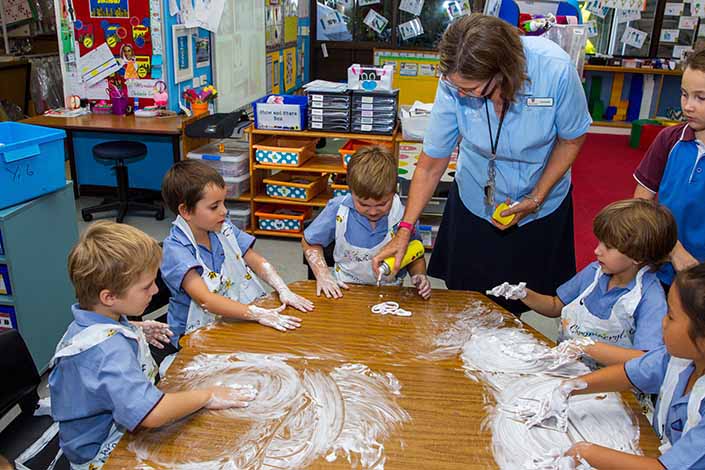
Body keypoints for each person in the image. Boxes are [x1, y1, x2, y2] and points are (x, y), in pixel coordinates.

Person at [372, 14, 592, 315]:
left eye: (473, 90)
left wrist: (536, 197)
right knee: (467, 296)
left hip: (540, 203)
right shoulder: (455, 80)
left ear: (504, 72)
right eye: (456, 88)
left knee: (522, 301)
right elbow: (431, 163)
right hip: (476, 201)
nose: (461, 95)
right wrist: (404, 230)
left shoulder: (555, 70)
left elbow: (571, 140)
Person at [49, 222, 256, 468]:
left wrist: (132, 329)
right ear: (109, 297)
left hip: (112, 427)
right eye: (146, 286)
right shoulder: (107, 352)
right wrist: (207, 396)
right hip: (104, 453)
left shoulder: (97, 318)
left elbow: (96, 348)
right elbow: (152, 414)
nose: (156, 289)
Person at [543, 263, 705, 469]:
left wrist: (586, 453)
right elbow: (630, 374)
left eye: (671, 316)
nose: (663, 323)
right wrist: (570, 386)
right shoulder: (677, 357)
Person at [488, 199, 677, 366]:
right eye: (600, 242)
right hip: (569, 370)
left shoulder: (649, 299)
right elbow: (555, 306)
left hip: (615, 388)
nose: (597, 250)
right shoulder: (595, 272)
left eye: (608, 247)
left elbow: (646, 360)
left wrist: (588, 348)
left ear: (638, 256)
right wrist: (524, 294)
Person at [161, 160, 313, 348]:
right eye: (214, 207)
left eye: (224, 203)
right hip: (196, 332)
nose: (224, 211)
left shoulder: (222, 228)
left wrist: (283, 289)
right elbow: (205, 300)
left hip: (234, 314)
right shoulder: (176, 249)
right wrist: (258, 313)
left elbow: (255, 260)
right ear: (185, 211)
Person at [302, 146, 432, 299]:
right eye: (363, 205)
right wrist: (323, 275)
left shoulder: (405, 216)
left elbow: (414, 254)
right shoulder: (338, 209)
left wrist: (419, 275)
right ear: (351, 191)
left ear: (394, 191)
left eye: (382, 204)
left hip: (390, 293)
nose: (373, 211)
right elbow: (309, 242)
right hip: (345, 289)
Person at [634, 47, 705, 289]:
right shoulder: (669, 139)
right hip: (661, 271)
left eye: (701, 98)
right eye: (685, 94)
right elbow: (641, 202)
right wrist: (674, 250)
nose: (688, 106)